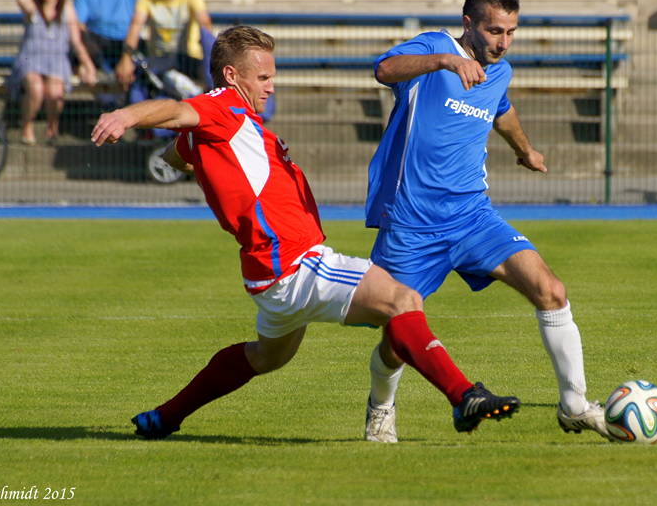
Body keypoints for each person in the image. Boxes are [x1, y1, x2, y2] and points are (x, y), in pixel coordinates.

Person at [90, 25, 521, 440]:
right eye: (263, 76)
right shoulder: (219, 105)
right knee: (402, 300)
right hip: (294, 261)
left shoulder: (224, 125)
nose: (271, 86)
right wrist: (125, 115)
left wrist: (200, 163)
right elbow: (177, 110)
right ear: (230, 75)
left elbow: (179, 148)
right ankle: (463, 396)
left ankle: (164, 417)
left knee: (266, 356)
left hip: (269, 272)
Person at [362, 0, 611, 444]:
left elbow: (502, 110)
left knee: (551, 290)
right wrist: (446, 60)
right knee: (398, 333)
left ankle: (574, 405)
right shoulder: (436, 47)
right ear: (469, 23)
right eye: (495, 30)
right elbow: (384, 68)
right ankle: (381, 407)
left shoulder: (500, 71)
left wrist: (526, 150)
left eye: (511, 31)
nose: (503, 41)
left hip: (473, 217)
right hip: (413, 221)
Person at [8, 0, 97, 145]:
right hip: (31, 60)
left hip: (56, 61)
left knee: (55, 91)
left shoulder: (67, 9)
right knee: (36, 88)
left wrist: (88, 66)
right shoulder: (33, 9)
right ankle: (27, 125)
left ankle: (52, 127)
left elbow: (76, 42)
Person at [115, 0, 213, 102]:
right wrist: (126, 57)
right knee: (137, 76)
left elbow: (205, 23)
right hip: (159, 58)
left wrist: (209, 59)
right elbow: (136, 25)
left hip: (188, 58)